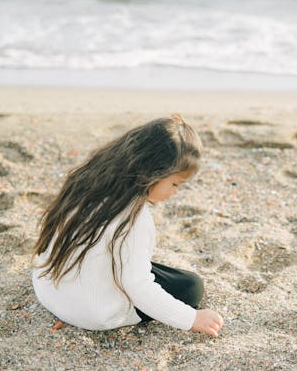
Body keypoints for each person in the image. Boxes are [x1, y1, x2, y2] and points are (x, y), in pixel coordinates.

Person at [32, 114, 224, 336]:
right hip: (95, 312)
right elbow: (139, 288)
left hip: (49, 289)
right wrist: (192, 318)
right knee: (191, 286)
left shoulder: (87, 180)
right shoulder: (135, 219)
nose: (175, 193)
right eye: (174, 184)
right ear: (154, 173)